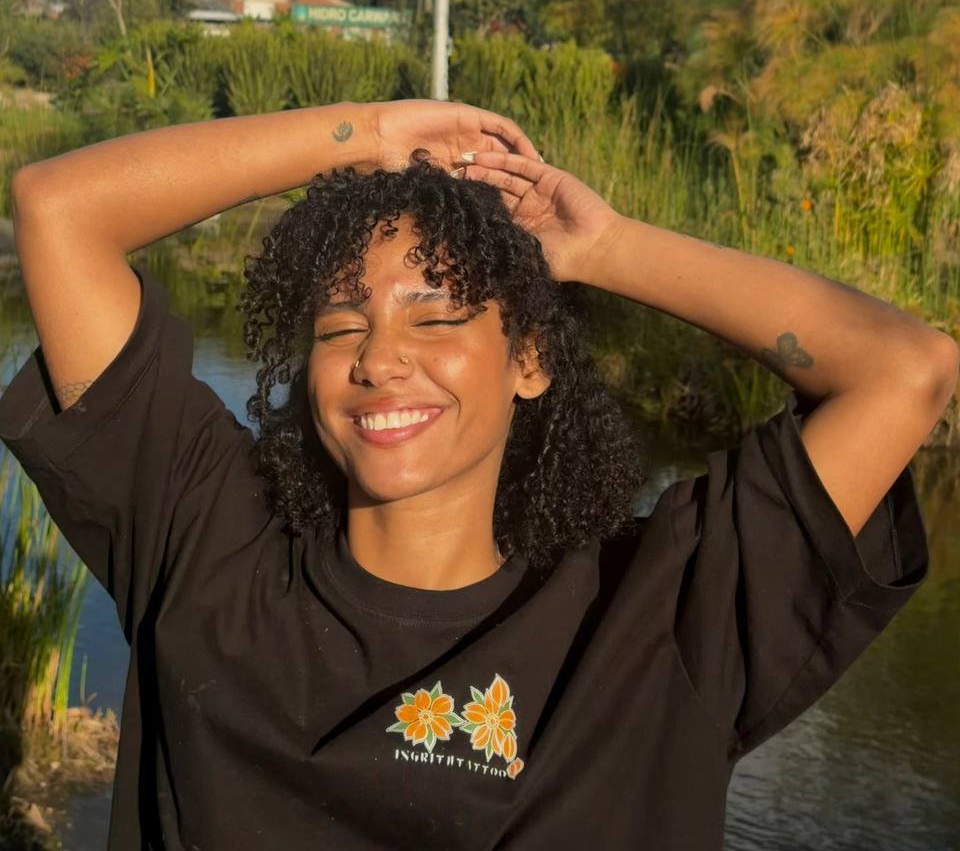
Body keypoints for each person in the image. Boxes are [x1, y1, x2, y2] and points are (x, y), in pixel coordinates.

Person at [0, 98, 954, 851]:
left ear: (529, 360)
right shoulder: (209, 542)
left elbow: (904, 368)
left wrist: (608, 249)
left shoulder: (657, 618)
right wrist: (372, 135)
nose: (380, 358)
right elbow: (60, 210)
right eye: (341, 325)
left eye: (438, 317)